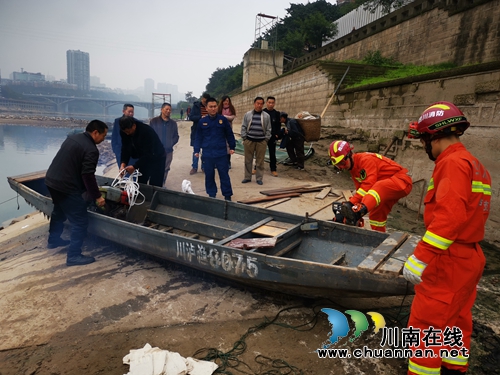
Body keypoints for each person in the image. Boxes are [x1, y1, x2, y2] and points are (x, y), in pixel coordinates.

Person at [403, 102, 491, 375]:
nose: (423, 146)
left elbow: (449, 219)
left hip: (449, 260)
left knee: (425, 327)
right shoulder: (474, 164)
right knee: (456, 320)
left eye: (423, 140)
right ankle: (453, 369)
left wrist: (420, 258)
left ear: (432, 136)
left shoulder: (451, 163)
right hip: (470, 257)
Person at [45, 120, 108, 266]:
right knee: (80, 221)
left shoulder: (73, 138)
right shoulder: (91, 149)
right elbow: (87, 175)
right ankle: (73, 255)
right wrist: (97, 196)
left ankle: (53, 240)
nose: (104, 139)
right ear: (95, 132)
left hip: (51, 181)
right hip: (66, 186)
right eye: (103, 135)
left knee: (59, 211)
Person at [328, 140, 412, 232]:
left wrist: (353, 206)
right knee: (376, 216)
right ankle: (380, 238)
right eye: (338, 165)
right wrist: (349, 210)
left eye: (342, 163)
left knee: (378, 187)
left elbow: (368, 185)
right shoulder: (353, 169)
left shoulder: (365, 160)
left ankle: (358, 212)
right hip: (385, 188)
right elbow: (361, 191)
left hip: (401, 181)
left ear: (350, 154)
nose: (341, 167)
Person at [194, 97, 236, 200]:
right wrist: (196, 150)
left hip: (221, 153)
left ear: (217, 107)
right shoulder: (202, 122)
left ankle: (227, 195)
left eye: (215, 106)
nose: (213, 108)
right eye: (211, 107)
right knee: (209, 175)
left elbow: (229, 134)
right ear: (206, 108)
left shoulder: (223, 120)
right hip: (208, 154)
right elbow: (198, 137)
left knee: (224, 175)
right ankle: (212, 194)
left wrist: (232, 146)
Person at [119, 116, 166, 187]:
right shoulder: (124, 132)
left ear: (134, 126)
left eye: (128, 131)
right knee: (141, 183)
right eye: (125, 132)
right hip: (143, 158)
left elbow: (148, 153)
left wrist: (135, 166)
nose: (127, 134)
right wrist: (123, 164)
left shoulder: (146, 131)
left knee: (155, 184)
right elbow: (125, 148)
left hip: (157, 158)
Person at [240, 97, 271, 185]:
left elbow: (269, 129)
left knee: (260, 161)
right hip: (249, 140)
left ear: (263, 104)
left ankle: (259, 178)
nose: (259, 105)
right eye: (257, 103)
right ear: (254, 104)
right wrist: (244, 137)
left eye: (261, 104)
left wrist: (266, 139)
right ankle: (247, 177)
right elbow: (243, 126)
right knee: (248, 160)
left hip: (261, 141)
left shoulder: (266, 116)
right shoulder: (248, 114)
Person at [149, 102, 179, 186]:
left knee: (166, 168)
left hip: (168, 151)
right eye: (166, 109)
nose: (168, 111)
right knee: (154, 168)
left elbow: (176, 136)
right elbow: (149, 135)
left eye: (170, 110)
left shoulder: (173, 123)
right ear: (161, 110)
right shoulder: (154, 121)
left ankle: (162, 184)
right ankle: (153, 184)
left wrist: (170, 143)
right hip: (155, 151)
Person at [111, 104, 139, 168]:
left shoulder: (137, 122)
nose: (131, 114)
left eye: (132, 112)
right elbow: (114, 136)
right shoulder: (117, 121)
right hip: (120, 152)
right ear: (123, 111)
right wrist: (116, 150)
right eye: (129, 112)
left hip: (133, 154)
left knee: (133, 174)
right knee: (123, 173)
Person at [189, 93, 210, 174]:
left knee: (205, 151)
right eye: (205, 100)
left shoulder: (209, 107)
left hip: (207, 132)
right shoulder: (196, 106)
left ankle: (204, 167)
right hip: (197, 131)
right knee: (196, 150)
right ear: (202, 98)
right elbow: (191, 117)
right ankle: (194, 167)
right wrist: (200, 117)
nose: (205, 102)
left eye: (207, 101)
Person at [263, 96, 282, 177]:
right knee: (260, 153)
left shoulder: (277, 114)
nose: (271, 104)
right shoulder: (262, 112)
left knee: (272, 153)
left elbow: (278, 125)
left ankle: (273, 169)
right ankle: (257, 167)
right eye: (269, 102)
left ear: (274, 104)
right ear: (266, 103)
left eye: (272, 103)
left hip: (272, 136)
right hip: (263, 136)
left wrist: (277, 134)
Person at [217, 95, 236, 169]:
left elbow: (232, 117)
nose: (226, 102)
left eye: (227, 101)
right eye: (225, 101)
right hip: (219, 129)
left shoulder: (231, 108)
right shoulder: (219, 109)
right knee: (220, 145)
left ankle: (228, 162)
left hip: (228, 129)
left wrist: (224, 117)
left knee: (228, 146)